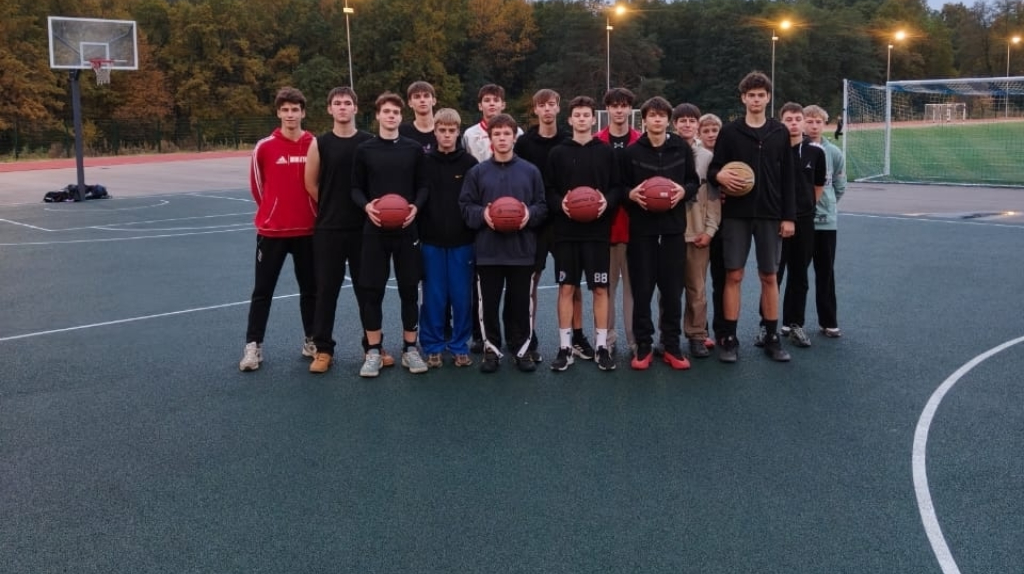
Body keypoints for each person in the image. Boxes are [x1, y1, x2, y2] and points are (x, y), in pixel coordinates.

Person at [707, 71, 796, 363]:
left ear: (768, 98)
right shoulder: (730, 132)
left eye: (761, 95)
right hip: (737, 214)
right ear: (743, 98)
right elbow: (714, 168)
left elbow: (788, 177)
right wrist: (719, 175)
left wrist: (789, 217)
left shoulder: (779, 132)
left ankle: (772, 336)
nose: (756, 100)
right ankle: (730, 338)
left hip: (771, 214)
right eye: (751, 95)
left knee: (769, 276)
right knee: (734, 275)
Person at [459, 114, 548, 374]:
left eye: (506, 133)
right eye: (496, 134)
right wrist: (483, 215)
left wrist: (529, 214)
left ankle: (521, 349)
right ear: (490, 138)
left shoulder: (530, 171)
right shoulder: (477, 172)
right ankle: (492, 349)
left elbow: (542, 206)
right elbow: (465, 206)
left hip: (522, 250)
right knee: (488, 305)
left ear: (514, 137)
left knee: (521, 305)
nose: (502, 138)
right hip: (488, 251)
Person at [305, 86, 385, 374]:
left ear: (355, 108)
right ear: (330, 109)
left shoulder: (369, 142)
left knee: (367, 291)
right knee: (326, 291)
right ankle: (323, 349)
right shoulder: (320, 143)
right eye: (337, 103)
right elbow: (310, 184)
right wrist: (332, 205)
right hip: (329, 229)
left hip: (364, 229)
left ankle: (372, 347)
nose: (342, 107)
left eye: (347, 103)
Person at [239, 87, 317, 372]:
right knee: (263, 290)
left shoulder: (314, 144)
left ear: (303, 112)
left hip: (308, 231)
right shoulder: (264, 147)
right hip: (273, 232)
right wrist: (271, 211)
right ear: (278, 113)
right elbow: (257, 186)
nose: (290, 115)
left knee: (311, 290)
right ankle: (253, 346)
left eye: (295, 109)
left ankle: (311, 340)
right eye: (285, 110)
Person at [352, 92, 429, 377]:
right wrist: (367, 206)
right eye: (386, 111)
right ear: (377, 115)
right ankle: (373, 351)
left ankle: (410, 349)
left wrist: (416, 207)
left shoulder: (413, 149)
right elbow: (355, 188)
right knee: (372, 291)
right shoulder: (365, 149)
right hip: (375, 230)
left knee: (409, 289)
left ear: (400, 116)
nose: (391, 116)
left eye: (395, 112)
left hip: (407, 228)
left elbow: (424, 186)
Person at [622, 96, 700, 370]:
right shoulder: (631, 152)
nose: (657, 119)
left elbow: (694, 182)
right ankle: (643, 345)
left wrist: (683, 191)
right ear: (644, 120)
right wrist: (630, 194)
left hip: (672, 229)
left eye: (662, 115)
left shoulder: (681, 148)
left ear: (668, 120)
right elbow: (620, 187)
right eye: (652, 115)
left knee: (672, 291)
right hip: (641, 230)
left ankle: (671, 345)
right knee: (642, 290)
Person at [545, 95, 620, 371]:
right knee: (567, 287)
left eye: (586, 114)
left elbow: (617, 187)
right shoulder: (557, 153)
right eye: (577, 115)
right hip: (566, 232)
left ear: (593, 118)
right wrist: (560, 204)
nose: (581, 119)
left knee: (600, 288)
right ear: (570, 119)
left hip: (597, 232)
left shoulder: (606, 151)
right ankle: (565, 347)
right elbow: (548, 190)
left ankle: (601, 347)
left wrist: (606, 202)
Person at [513, 89, 583, 364]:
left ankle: (577, 338)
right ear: (535, 110)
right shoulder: (524, 143)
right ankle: (529, 339)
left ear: (558, 108)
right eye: (541, 105)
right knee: (531, 280)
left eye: (551, 104)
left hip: (565, 220)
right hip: (534, 222)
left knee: (572, 282)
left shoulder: (568, 140)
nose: (546, 109)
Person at [758, 102, 825, 349]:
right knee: (773, 274)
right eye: (789, 119)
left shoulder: (816, 152)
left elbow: (818, 185)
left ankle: (795, 324)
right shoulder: (773, 149)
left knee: (800, 274)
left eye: (798, 119)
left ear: (803, 122)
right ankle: (766, 326)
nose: (794, 123)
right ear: (781, 122)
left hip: (804, 221)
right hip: (776, 219)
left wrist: (804, 209)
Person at [462, 83, 523, 354]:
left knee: (516, 289)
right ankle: (482, 336)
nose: (492, 104)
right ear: (480, 105)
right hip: (482, 210)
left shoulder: (519, 135)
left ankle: (517, 337)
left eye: (496, 100)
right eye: (487, 100)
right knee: (483, 287)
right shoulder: (469, 135)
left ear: (503, 104)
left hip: (511, 212)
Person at [419, 108, 478, 368]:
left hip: (462, 242)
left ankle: (459, 346)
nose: (446, 135)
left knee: (462, 297)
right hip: (430, 241)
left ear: (458, 132)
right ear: (435, 132)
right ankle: (433, 346)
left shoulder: (470, 164)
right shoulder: (424, 163)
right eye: (442, 130)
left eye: (451, 131)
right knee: (434, 297)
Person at [672, 103, 721, 359]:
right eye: (682, 120)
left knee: (697, 289)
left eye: (692, 120)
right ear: (674, 124)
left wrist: (710, 229)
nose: (687, 124)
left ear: (697, 125)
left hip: (698, 231)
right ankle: (668, 336)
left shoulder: (706, 157)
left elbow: (713, 197)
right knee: (669, 290)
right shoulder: (665, 152)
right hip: (671, 232)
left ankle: (697, 335)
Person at [595, 87, 641, 356]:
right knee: (606, 288)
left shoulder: (641, 142)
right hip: (606, 226)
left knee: (634, 289)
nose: (619, 110)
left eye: (624, 105)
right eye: (614, 105)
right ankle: (608, 340)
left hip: (636, 226)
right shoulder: (596, 142)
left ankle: (635, 341)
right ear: (608, 109)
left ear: (630, 109)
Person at [803, 104, 847, 338]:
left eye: (818, 122)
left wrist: (827, 204)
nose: (813, 126)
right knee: (797, 274)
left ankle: (828, 321)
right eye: (809, 121)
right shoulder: (796, 150)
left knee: (825, 273)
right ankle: (792, 321)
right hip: (802, 223)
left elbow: (839, 186)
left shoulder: (834, 153)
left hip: (826, 223)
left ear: (824, 124)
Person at [698, 113, 725, 353]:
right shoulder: (695, 158)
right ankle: (700, 330)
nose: (710, 134)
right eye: (705, 130)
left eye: (714, 130)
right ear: (699, 134)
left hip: (725, 225)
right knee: (698, 283)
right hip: (701, 225)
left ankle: (722, 330)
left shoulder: (729, 158)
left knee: (722, 280)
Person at [399, 80, 438, 154]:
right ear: (410, 103)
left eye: (426, 96)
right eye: (417, 97)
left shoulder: (445, 130)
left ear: (434, 101)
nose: (422, 100)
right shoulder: (402, 132)